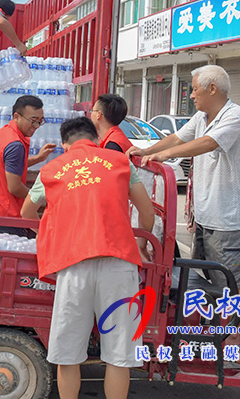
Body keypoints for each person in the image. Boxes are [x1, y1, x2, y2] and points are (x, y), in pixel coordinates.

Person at [21, 117, 154, 399]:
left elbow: (26, 212)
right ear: (96, 139)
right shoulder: (119, 162)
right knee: (119, 354)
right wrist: (141, 245)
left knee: (68, 353)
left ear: (65, 144)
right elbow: (147, 213)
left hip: (73, 265)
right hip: (119, 263)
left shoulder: (52, 168)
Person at [127, 65, 240, 300]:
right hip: (206, 216)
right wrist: (148, 150)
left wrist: (165, 156)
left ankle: (232, 335)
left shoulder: (235, 116)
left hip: (228, 219)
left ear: (212, 89)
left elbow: (208, 143)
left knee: (231, 279)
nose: (192, 95)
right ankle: (217, 327)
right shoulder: (202, 117)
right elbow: (177, 137)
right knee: (212, 276)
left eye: (195, 89)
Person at [0, 95, 55, 223]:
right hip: (3, 212)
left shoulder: (4, 133)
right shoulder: (15, 145)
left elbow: (9, 165)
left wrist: (38, 158)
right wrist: (39, 200)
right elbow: (15, 188)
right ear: (17, 117)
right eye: (33, 120)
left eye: (40, 121)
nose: (37, 125)